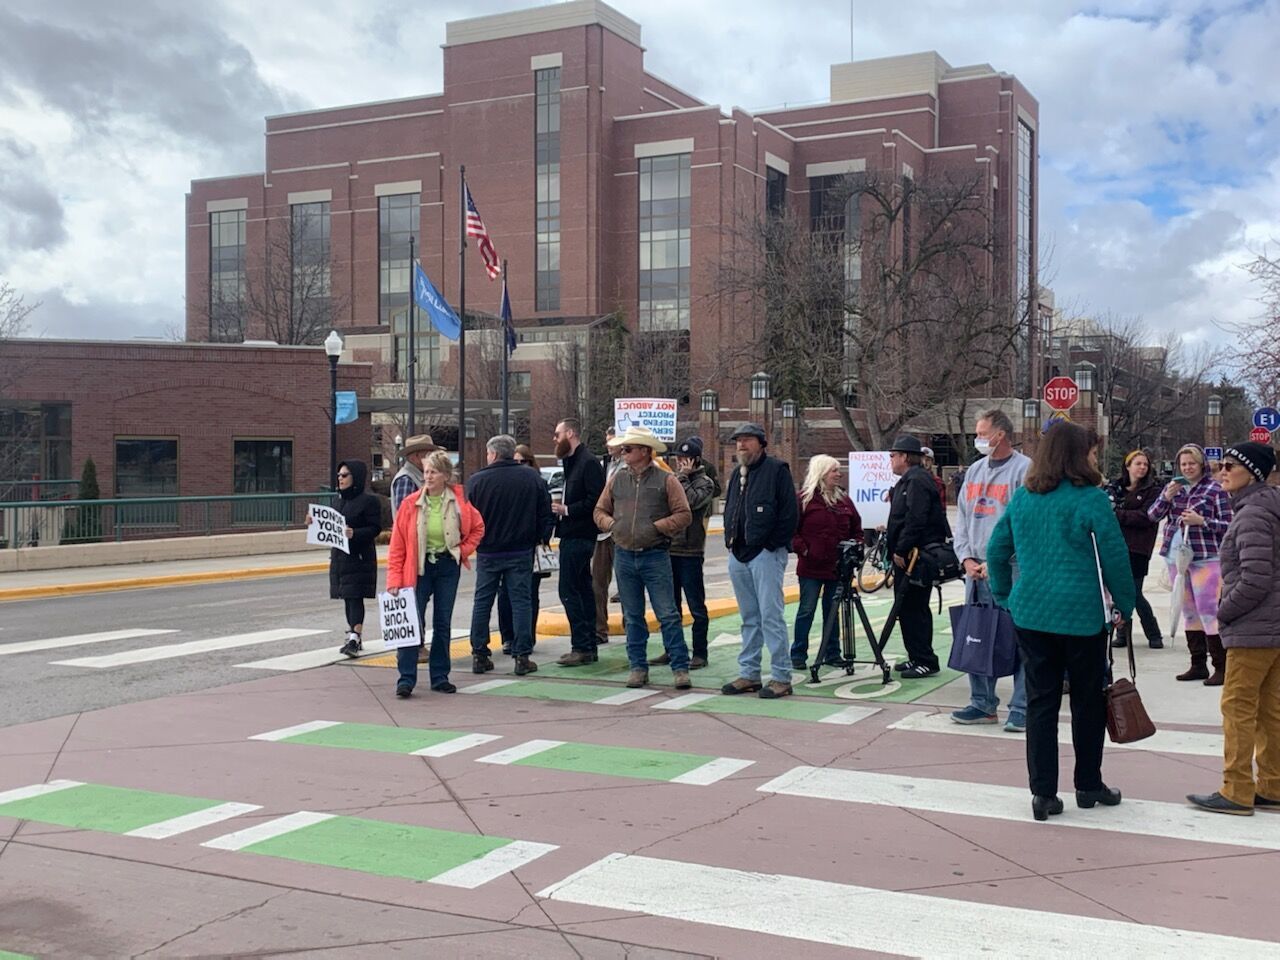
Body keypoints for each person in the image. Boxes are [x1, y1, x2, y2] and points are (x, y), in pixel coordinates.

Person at [987, 422, 1136, 822]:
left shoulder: (1024, 498)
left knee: (1040, 702)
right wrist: (1126, 605)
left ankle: (1043, 794)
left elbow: (997, 551)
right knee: (1088, 701)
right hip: (1082, 616)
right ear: (1076, 455)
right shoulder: (1091, 500)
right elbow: (1115, 559)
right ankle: (1088, 784)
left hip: (1032, 613)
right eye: (1090, 451)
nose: (1093, 458)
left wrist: (1004, 595)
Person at [1187, 442, 1280, 815]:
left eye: (1229, 466)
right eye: (1219, 466)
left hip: (1254, 627)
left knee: (1238, 706)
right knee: (1270, 708)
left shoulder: (1253, 514)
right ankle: (1272, 784)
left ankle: (1236, 789)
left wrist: (1224, 611)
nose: (1221, 471)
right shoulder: (1265, 507)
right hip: (1271, 627)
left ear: (1252, 473)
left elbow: (1256, 578)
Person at [593, 426, 693, 690]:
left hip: (655, 555)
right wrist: (613, 526)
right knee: (632, 615)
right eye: (623, 448)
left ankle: (680, 667)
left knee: (668, 614)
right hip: (624, 555)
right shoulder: (617, 479)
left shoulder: (666, 480)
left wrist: (657, 527)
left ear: (644, 451)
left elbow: (684, 514)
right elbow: (599, 510)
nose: (623, 453)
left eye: (628, 449)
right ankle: (638, 667)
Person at [950, 409, 1031, 730]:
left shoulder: (1024, 471)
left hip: (1010, 570)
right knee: (977, 633)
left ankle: (1022, 707)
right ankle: (982, 703)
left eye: (982, 433)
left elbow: (1024, 524)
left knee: (1021, 638)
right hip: (975, 572)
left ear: (1001, 435)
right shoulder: (974, 471)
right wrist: (966, 558)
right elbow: (963, 519)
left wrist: (995, 560)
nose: (978, 439)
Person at [384, 450, 484, 698]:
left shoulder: (460, 502)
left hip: (447, 566)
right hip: (418, 569)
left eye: (433, 472)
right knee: (411, 622)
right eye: (426, 471)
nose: (427, 476)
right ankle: (406, 679)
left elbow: (478, 528)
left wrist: (462, 551)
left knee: (443, 622)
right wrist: (394, 580)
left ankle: (440, 677)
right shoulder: (410, 504)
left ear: (445, 475)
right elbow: (397, 546)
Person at [720, 423, 799, 699]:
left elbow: (789, 514)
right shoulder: (737, 474)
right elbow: (731, 508)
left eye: (747, 440)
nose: (741, 445)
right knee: (749, 618)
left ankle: (781, 676)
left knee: (771, 616)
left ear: (761, 443)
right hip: (738, 553)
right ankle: (750, 673)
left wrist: (770, 544)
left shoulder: (777, 470)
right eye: (738, 441)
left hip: (765, 554)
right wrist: (730, 542)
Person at [466, 435, 554, 676]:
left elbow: (467, 519)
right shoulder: (532, 478)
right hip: (520, 550)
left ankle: (479, 653)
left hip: (488, 551)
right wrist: (539, 538)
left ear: (493, 454)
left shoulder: (476, 481)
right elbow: (546, 513)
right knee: (521, 602)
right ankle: (522, 655)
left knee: (483, 601)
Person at [1147, 443, 1233, 685]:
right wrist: (1166, 498)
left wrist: (1202, 521)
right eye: (1183, 464)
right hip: (1178, 557)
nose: (1187, 468)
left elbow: (1229, 524)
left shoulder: (1215, 489)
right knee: (1187, 610)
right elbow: (1152, 516)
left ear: (1201, 464)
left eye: (1191, 464)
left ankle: (1221, 665)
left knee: (1209, 610)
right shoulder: (1174, 488)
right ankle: (1197, 664)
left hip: (1206, 558)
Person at [884, 436, 950, 678]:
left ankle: (925, 659)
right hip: (908, 555)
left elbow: (916, 518)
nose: (890, 460)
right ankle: (915, 656)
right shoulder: (908, 480)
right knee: (907, 609)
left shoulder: (917, 480)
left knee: (915, 607)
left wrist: (901, 549)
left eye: (893, 455)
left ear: (904, 456)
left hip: (916, 557)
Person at [789, 454, 862, 670]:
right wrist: (804, 549)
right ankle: (798, 654)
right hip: (810, 567)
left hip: (837, 568)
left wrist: (855, 547)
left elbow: (857, 528)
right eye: (834, 470)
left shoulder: (844, 501)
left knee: (833, 611)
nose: (839, 474)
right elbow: (791, 531)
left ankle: (832, 653)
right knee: (806, 610)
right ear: (821, 473)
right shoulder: (803, 499)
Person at [657, 437, 717, 670]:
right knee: (670, 606)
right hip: (670, 549)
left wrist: (682, 477)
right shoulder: (670, 480)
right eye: (678, 459)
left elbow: (689, 502)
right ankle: (672, 649)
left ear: (695, 459)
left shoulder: (706, 483)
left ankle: (700, 653)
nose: (681, 463)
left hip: (691, 551)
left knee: (696, 606)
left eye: (685, 459)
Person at [314, 460, 383, 659]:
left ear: (356, 477)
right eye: (339, 475)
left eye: (345, 475)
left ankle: (355, 636)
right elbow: (328, 525)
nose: (340, 479)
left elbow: (375, 528)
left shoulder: (369, 501)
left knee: (355, 596)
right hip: (340, 556)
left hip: (359, 556)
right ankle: (353, 634)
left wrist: (355, 533)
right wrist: (314, 521)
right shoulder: (337, 501)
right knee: (346, 595)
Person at [552, 419, 607, 666]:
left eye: (558, 434)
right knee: (582, 589)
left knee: (570, 590)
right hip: (570, 533)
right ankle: (587, 644)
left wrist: (567, 509)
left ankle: (582, 646)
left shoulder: (588, 463)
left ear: (570, 434)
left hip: (580, 535)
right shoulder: (571, 462)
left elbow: (596, 500)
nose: (555, 439)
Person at [497, 446, 554, 655]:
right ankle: (508, 637)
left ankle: (526, 637)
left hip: (530, 547)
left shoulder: (538, 484)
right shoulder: (504, 484)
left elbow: (547, 515)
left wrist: (542, 538)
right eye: (516, 461)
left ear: (531, 463)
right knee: (505, 594)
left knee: (529, 594)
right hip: (507, 547)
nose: (520, 466)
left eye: (524, 462)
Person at [1105, 450, 1165, 649]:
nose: (1141, 468)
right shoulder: (1115, 488)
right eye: (1137, 463)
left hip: (1138, 548)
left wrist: (1119, 515)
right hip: (1115, 546)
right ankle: (1122, 632)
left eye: (1145, 464)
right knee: (1117, 591)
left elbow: (1146, 517)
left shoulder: (1153, 491)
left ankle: (1153, 633)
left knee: (1134, 593)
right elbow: (1105, 510)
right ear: (1128, 465)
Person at [592, 427, 623, 645]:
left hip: (624, 531)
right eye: (607, 440)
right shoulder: (605, 464)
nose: (608, 445)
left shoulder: (630, 466)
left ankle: (630, 626)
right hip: (604, 532)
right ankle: (600, 629)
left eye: (613, 440)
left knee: (627, 584)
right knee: (598, 582)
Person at [391, 435, 438, 514]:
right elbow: (406, 514)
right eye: (428, 455)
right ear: (415, 457)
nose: (432, 458)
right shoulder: (406, 479)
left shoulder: (418, 476)